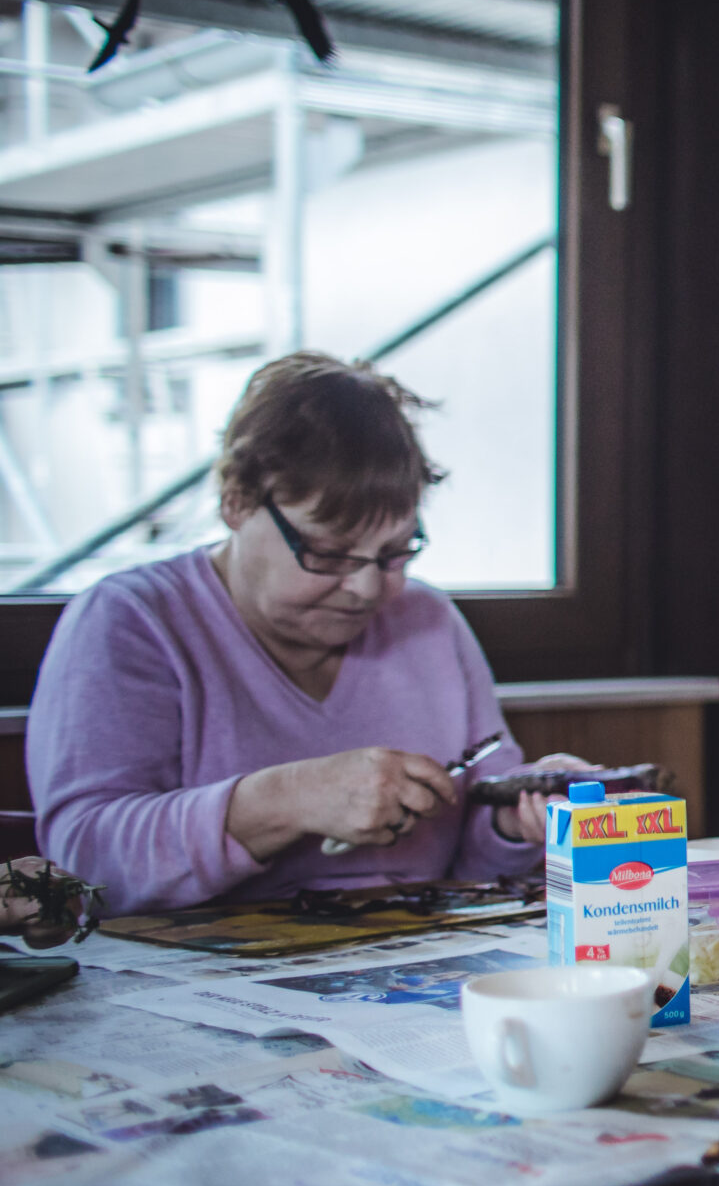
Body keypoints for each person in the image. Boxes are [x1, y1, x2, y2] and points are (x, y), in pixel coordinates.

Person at [29, 353, 549, 916]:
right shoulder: (131, 621)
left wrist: (513, 823)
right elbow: (83, 864)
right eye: (327, 553)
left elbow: (478, 864)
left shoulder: (429, 621)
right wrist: (287, 799)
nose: (368, 588)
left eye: (396, 553)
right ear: (237, 503)